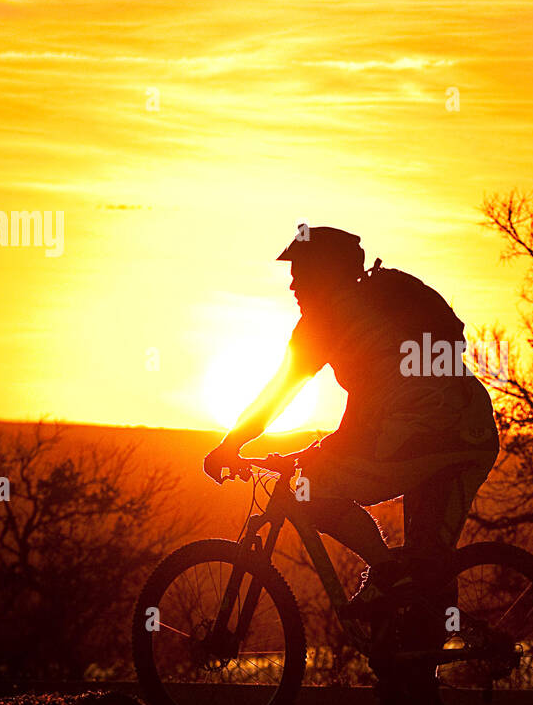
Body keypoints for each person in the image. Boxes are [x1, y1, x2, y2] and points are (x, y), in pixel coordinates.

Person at [203, 225, 499, 620]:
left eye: (299, 273)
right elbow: (381, 396)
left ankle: (386, 570)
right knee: (427, 565)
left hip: (416, 435)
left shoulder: (325, 320)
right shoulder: (381, 299)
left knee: (311, 491)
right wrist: (330, 446)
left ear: (323, 274)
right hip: (470, 430)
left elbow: (277, 396)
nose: (292, 285)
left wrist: (229, 445)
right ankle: (414, 665)